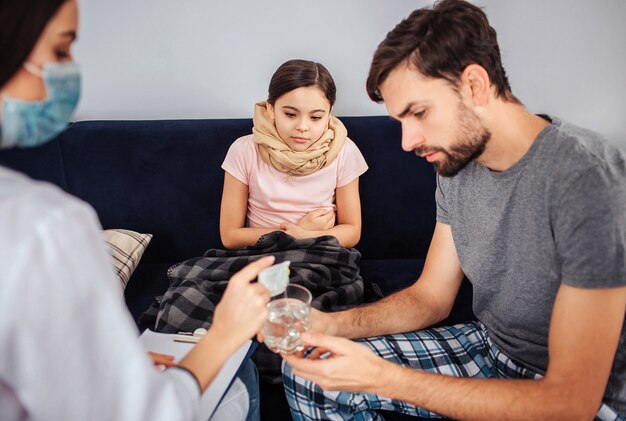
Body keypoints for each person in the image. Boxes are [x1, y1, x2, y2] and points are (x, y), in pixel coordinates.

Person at [281, 1, 626, 420]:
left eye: (419, 113)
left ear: (476, 86)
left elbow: (570, 403)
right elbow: (431, 297)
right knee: (310, 372)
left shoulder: (587, 178)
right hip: (491, 348)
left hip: (574, 395)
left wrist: (381, 378)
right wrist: (329, 325)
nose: (408, 141)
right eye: (400, 121)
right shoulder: (455, 164)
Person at [0, 1, 273, 420]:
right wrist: (224, 335)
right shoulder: (45, 228)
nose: (71, 70)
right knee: (240, 382)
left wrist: (108, 375)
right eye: (59, 51)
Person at [220, 59, 368, 250]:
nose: (302, 127)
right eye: (290, 114)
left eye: (315, 117)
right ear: (271, 109)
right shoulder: (244, 150)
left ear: (329, 113)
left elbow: (352, 231)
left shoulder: (344, 151)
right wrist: (294, 233)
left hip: (319, 251)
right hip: (261, 253)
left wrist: (305, 235)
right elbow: (230, 236)